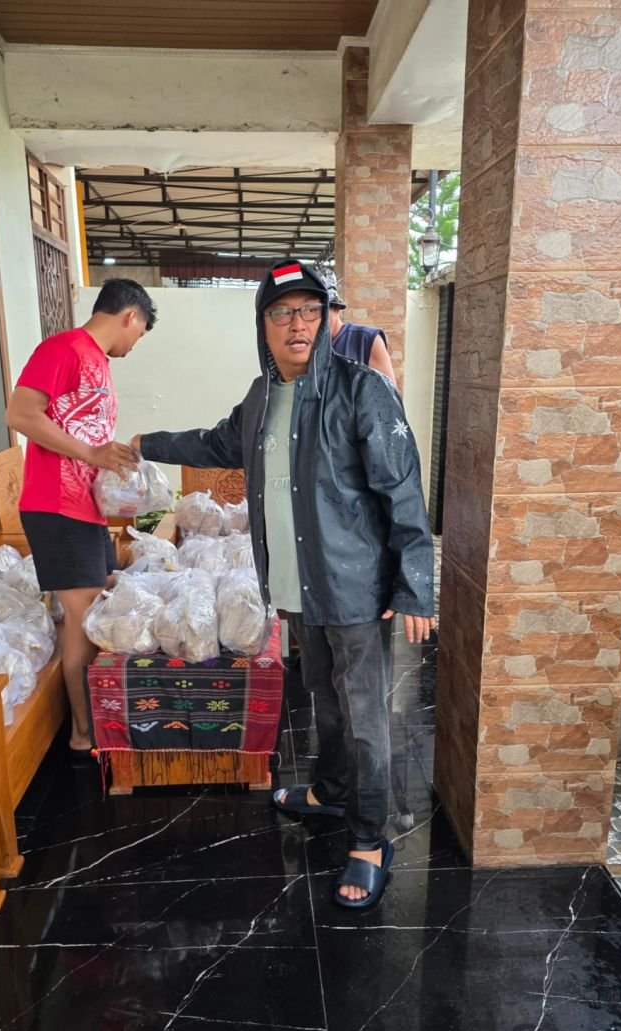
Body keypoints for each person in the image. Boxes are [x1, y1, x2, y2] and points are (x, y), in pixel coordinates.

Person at [132, 260, 434, 908]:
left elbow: (403, 491)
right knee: (324, 700)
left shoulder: (361, 392)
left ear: (324, 318)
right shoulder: (262, 397)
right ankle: (328, 794)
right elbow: (215, 442)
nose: (296, 323)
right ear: (263, 326)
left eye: (307, 310)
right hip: (298, 592)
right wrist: (144, 441)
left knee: (365, 720)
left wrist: (413, 584)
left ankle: (370, 838)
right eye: (281, 312)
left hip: (355, 593)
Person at [5, 278, 158, 758]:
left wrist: (114, 487)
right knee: (83, 618)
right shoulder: (64, 348)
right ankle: (83, 732)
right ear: (130, 316)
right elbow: (20, 414)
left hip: (82, 507)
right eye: (142, 333)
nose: (136, 343)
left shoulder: (96, 362)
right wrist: (93, 453)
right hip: (55, 506)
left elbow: (81, 438)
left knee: (95, 608)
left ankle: (94, 721)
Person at [322, 269, 397, 385]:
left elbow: (388, 399)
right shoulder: (304, 346)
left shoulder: (366, 342)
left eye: (321, 311)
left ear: (336, 308)